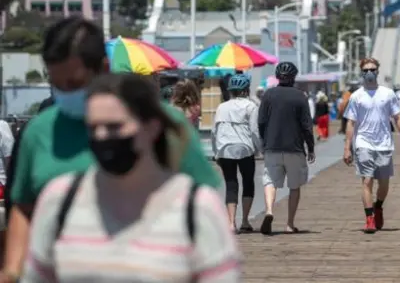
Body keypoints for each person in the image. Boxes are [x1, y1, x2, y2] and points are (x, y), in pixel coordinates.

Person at [2, 17, 222, 281]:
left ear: (103, 69)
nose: (65, 93)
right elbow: (23, 209)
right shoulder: (38, 132)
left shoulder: (162, 125)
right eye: (57, 84)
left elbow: (202, 209)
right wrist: (13, 271)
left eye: (75, 83)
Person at [21, 73, 241, 282]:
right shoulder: (59, 200)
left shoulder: (197, 208)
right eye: (93, 127)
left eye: (114, 126)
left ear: (152, 128)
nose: (101, 136)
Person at [342, 58, 400, 234]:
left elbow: (397, 118)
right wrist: (347, 147)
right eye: (365, 70)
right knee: (367, 180)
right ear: (361, 72)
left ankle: (378, 206)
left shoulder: (388, 94)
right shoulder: (356, 96)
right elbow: (351, 123)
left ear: (378, 71)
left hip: (384, 144)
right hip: (363, 143)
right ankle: (369, 219)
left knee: (384, 183)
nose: (369, 73)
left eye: (372, 69)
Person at [257, 62, 315, 235]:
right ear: (293, 77)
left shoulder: (268, 95)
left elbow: (261, 122)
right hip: (295, 148)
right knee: (294, 186)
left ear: (277, 77)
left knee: (270, 181)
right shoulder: (300, 96)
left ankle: (269, 211)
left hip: (272, 146)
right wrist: (310, 147)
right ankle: (289, 224)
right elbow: (306, 125)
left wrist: (264, 141)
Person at [212, 73, 261, 234]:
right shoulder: (251, 106)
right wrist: (259, 148)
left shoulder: (221, 107)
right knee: (248, 182)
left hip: (224, 149)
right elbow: (254, 130)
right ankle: (245, 221)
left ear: (230, 90)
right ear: (246, 89)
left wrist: (216, 152)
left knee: (231, 185)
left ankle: (231, 223)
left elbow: (215, 132)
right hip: (245, 148)